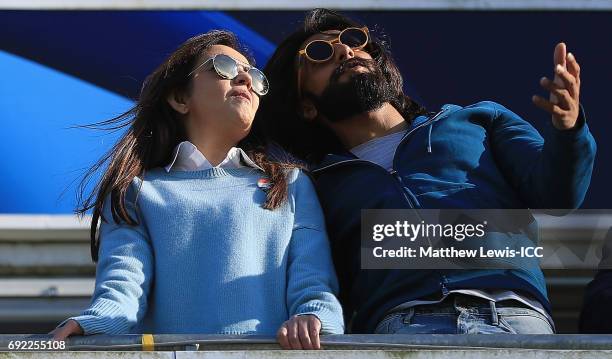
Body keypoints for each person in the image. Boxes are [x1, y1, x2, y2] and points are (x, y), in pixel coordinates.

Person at [257, 9, 596, 334]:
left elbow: (559, 193)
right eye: (319, 53)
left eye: (352, 39)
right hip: (401, 328)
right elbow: (318, 279)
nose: (345, 50)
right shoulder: (317, 187)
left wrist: (568, 130)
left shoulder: (480, 120)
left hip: (513, 315)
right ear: (306, 105)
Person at [50, 30, 344, 349]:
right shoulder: (136, 191)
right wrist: (92, 324)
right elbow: (122, 287)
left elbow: (313, 285)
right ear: (180, 98)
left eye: (254, 76)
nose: (245, 79)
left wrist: (314, 317)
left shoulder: (290, 184)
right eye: (224, 67)